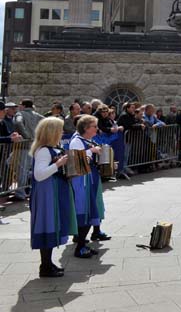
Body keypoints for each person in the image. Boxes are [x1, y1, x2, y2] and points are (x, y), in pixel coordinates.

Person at [29, 117, 77, 278]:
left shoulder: (52, 148)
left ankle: (48, 264)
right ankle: (46, 266)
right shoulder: (43, 150)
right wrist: (58, 164)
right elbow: (39, 175)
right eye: (60, 130)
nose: (62, 132)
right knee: (47, 224)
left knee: (52, 224)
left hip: (54, 190)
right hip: (47, 193)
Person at [68, 114, 110, 259]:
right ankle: (79, 247)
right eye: (94, 126)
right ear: (86, 128)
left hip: (89, 177)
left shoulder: (87, 140)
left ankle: (83, 245)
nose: (96, 129)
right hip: (81, 180)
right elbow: (75, 160)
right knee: (83, 211)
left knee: (91, 210)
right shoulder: (77, 141)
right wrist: (91, 151)